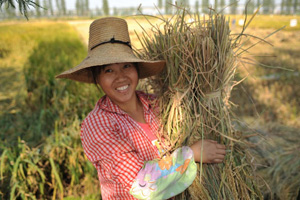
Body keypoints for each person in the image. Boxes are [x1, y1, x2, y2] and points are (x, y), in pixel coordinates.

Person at [56, 17, 226, 200]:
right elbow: (140, 185)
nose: (121, 77)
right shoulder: (97, 125)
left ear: (136, 69)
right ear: (97, 78)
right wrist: (191, 154)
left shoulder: (157, 105)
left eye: (126, 66)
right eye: (108, 71)